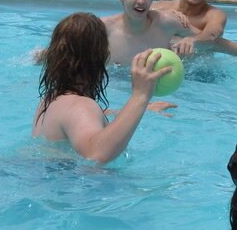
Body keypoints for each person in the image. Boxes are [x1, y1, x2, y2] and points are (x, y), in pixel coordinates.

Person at [32, 12, 175, 163]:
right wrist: (141, 95)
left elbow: (81, 119)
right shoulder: (80, 106)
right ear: (100, 56)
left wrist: (138, 109)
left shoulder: (50, 100)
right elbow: (96, 155)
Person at [101, 0, 194, 65]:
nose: (141, 1)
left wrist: (191, 40)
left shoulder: (166, 22)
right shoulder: (104, 29)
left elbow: (207, 41)